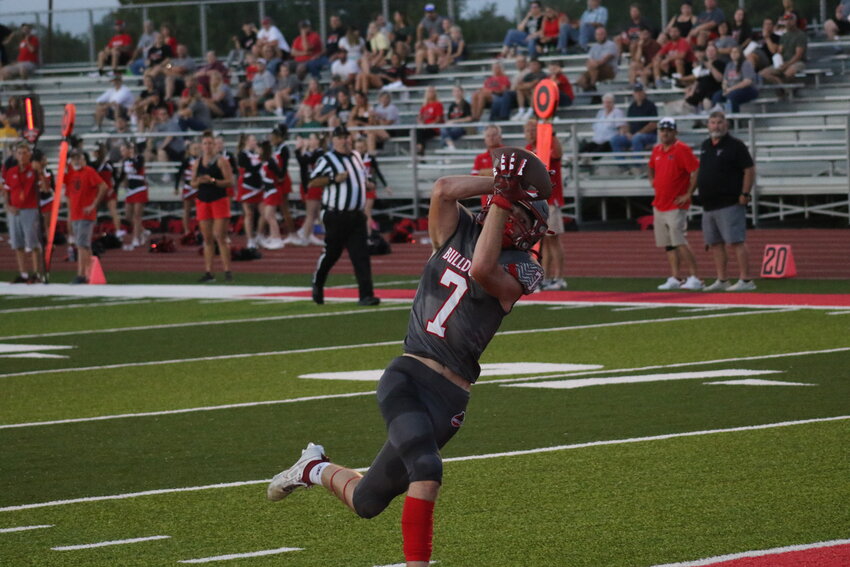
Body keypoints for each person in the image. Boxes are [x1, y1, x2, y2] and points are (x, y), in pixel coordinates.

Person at [267, 147, 552, 567]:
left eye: (524, 220)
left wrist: (506, 198)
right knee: (427, 468)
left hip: (450, 401)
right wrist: (498, 184)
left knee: (368, 500)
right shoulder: (455, 229)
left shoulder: (524, 269)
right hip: (409, 376)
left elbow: (480, 269)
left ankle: (311, 468)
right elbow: (442, 189)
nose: (518, 224)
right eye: (518, 213)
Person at [307, 125, 380, 306]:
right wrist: (333, 179)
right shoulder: (327, 159)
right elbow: (312, 182)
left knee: (361, 255)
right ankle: (318, 282)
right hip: (336, 215)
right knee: (332, 253)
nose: (344, 140)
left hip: (356, 215)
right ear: (334, 140)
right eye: (340, 137)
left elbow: (362, 177)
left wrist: (368, 184)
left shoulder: (356, 156)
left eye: (346, 137)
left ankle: (366, 295)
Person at [691, 111, 756, 291]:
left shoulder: (735, 145)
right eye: (712, 122)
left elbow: (749, 170)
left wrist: (745, 193)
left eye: (719, 122)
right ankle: (722, 279)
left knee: (736, 241)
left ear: (726, 124)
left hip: (729, 201)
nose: (716, 126)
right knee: (715, 244)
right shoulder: (705, 145)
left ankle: (746, 279)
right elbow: (701, 171)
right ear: (708, 125)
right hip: (709, 203)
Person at [647, 118, 702, 291]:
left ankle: (695, 276)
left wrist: (688, 194)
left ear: (675, 132)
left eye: (668, 130)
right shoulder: (657, 150)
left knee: (679, 240)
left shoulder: (682, 149)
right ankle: (676, 276)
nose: (665, 133)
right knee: (669, 244)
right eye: (662, 130)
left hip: (675, 204)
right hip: (660, 202)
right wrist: (652, 180)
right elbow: (650, 167)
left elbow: (695, 170)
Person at [525, 118, 567, 291]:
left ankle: (560, 277)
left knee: (554, 239)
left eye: (533, 129)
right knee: (545, 242)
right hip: (537, 200)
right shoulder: (529, 149)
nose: (530, 132)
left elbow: (557, 154)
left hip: (551, 199)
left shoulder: (548, 143)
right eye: (528, 129)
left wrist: (551, 133)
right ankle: (548, 276)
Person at [191, 131, 235, 283]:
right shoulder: (197, 163)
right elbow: (192, 183)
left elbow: (230, 182)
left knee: (220, 236)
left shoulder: (221, 161)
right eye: (205, 143)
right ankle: (209, 271)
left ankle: (227, 270)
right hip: (203, 200)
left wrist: (213, 181)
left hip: (218, 199)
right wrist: (201, 181)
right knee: (207, 238)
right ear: (201, 146)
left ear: (214, 145)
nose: (208, 146)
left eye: (210, 143)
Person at [3, 142, 47, 283]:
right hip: (14, 210)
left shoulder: (34, 170)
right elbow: (7, 191)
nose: (22, 156)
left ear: (29, 155)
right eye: (20, 153)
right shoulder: (11, 172)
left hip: (30, 209)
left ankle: (36, 273)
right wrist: (8, 206)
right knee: (18, 244)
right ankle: (23, 274)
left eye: (25, 153)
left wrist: (39, 171)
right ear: (16, 155)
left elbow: (46, 189)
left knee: (33, 242)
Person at [64, 149, 108, 284]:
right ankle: (88, 272)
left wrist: (93, 204)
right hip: (76, 213)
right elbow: (68, 194)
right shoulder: (71, 174)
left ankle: (81, 274)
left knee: (82, 245)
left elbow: (103, 186)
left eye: (79, 158)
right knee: (83, 245)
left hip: (84, 214)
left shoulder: (88, 171)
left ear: (84, 159)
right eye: (74, 159)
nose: (76, 161)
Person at [759, 13, 807, 96]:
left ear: (794, 21)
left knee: (788, 73)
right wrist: (779, 61)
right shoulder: (784, 36)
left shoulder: (800, 35)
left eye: (790, 20)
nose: (788, 22)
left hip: (797, 62)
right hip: (784, 61)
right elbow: (779, 51)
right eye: (786, 20)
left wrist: (787, 64)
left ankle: (787, 89)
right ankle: (785, 89)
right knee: (763, 73)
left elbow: (798, 55)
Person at [610, 83, 657, 165]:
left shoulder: (651, 105)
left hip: (649, 135)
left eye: (640, 92)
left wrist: (638, 133)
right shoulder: (632, 107)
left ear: (643, 93)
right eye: (636, 92)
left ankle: (638, 166)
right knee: (615, 139)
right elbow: (628, 123)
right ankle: (622, 166)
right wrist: (628, 133)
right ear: (633, 94)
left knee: (637, 138)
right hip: (634, 135)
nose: (638, 94)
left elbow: (653, 124)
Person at [116, 141, 148, 249]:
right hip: (130, 190)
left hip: (140, 189)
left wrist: (133, 156)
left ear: (130, 150)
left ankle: (136, 238)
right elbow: (121, 176)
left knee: (137, 216)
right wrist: (114, 187)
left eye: (123, 150)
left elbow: (138, 167)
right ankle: (143, 231)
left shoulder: (139, 158)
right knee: (128, 216)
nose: (122, 153)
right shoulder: (125, 161)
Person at [711, 46, 758, 113]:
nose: (733, 54)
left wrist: (731, 89)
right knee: (716, 96)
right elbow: (725, 80)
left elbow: (747, 82)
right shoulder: (729, 65)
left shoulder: (746, 64)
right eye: (732, 52)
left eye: (736, 52)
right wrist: (725, 89)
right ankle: (719, 116)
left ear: (740, 54)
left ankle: (734, 120)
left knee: (732, 96)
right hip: (731, 90)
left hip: (748, 89)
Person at [576, 27, 619, 92]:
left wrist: (593, 64)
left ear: (605, 35)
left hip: (609, 70)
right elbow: (589, 61)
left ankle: (592, 85)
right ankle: (593, 93)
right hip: (595, 70)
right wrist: (592, 64)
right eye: (597, 34)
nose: (599, 36)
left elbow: (604, 60)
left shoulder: (611, 45)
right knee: (581, 80)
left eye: (601, 34)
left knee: (593, 67)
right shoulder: (594, 47)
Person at [415, 86, 444, 156]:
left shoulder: (438, 104)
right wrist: (421, 123)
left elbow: (438, 119)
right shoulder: (424, 105)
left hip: (434, 128)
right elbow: (419, 117)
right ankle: (420, 150)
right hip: (424, 128)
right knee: (417, 131)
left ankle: (420, 151)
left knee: (419, 132)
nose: (430, 93)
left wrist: (427, 125)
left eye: (432, 91)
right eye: (429, 91)